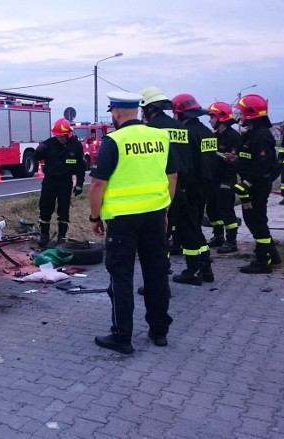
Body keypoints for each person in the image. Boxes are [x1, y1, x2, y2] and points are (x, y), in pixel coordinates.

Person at [89, 91, 177, 354]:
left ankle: (122, 336)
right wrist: (165, 210)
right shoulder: (160, 137)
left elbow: (97, 184)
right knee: (156, 274)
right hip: (154, 216)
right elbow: (172, 176)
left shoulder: (114, 140)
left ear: (116, 113)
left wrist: (95, 217)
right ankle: (159, 331)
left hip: (123, 221)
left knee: (121, 276)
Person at [229, 94, 281, 274]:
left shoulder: (261, 136)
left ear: (251, 114)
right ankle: (272, 255)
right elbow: (248, 159)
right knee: (256, 220)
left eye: (242, 113)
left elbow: (262, 164)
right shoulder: (252, 134)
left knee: (256, 221)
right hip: (252, 185)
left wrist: (248, 183)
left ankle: (262, 261)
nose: (239, 117)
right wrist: (235, 160)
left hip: (256, 186)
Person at [170, 93, 218, 286]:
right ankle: (206, 267)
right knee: (195, 227)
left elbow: (185, 164)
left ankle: (193, 270)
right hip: (204, 186)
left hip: (189, 188)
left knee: (187, 229)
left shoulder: (186, 133)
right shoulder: (206, 132)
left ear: (180, 114)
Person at [139, 86, 190, 256]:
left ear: (150, 108)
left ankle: (162, 267)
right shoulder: (181, 127)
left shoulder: (150, 129)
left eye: (143, 108)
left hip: (158, 186)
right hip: (180, 185)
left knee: (159, 233)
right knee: (177, 227)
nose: (142, 112)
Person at [34, 117, 86, 247]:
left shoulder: (76, 146)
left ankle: (61, 237)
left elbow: (81, 166)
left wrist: (79, 184)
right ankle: (44, 235)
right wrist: (38, 152)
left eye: (62, 136)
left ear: (68, 133)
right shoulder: (50, 143)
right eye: (57, 136)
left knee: (63, 210)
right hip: (50, 181)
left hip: (65, 182)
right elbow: (37, 156)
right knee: (45, 208)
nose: (59, 139)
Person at [206, 102, 242, 254]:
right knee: (212, 209)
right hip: (214, 178)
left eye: (212, 117)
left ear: (220, 118)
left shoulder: (234, 137)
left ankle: (231, 241)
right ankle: (218, 235)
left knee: (226, 209)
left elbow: (236, 159)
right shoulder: (214, 136)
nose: (210, 121)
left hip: (226, 178)